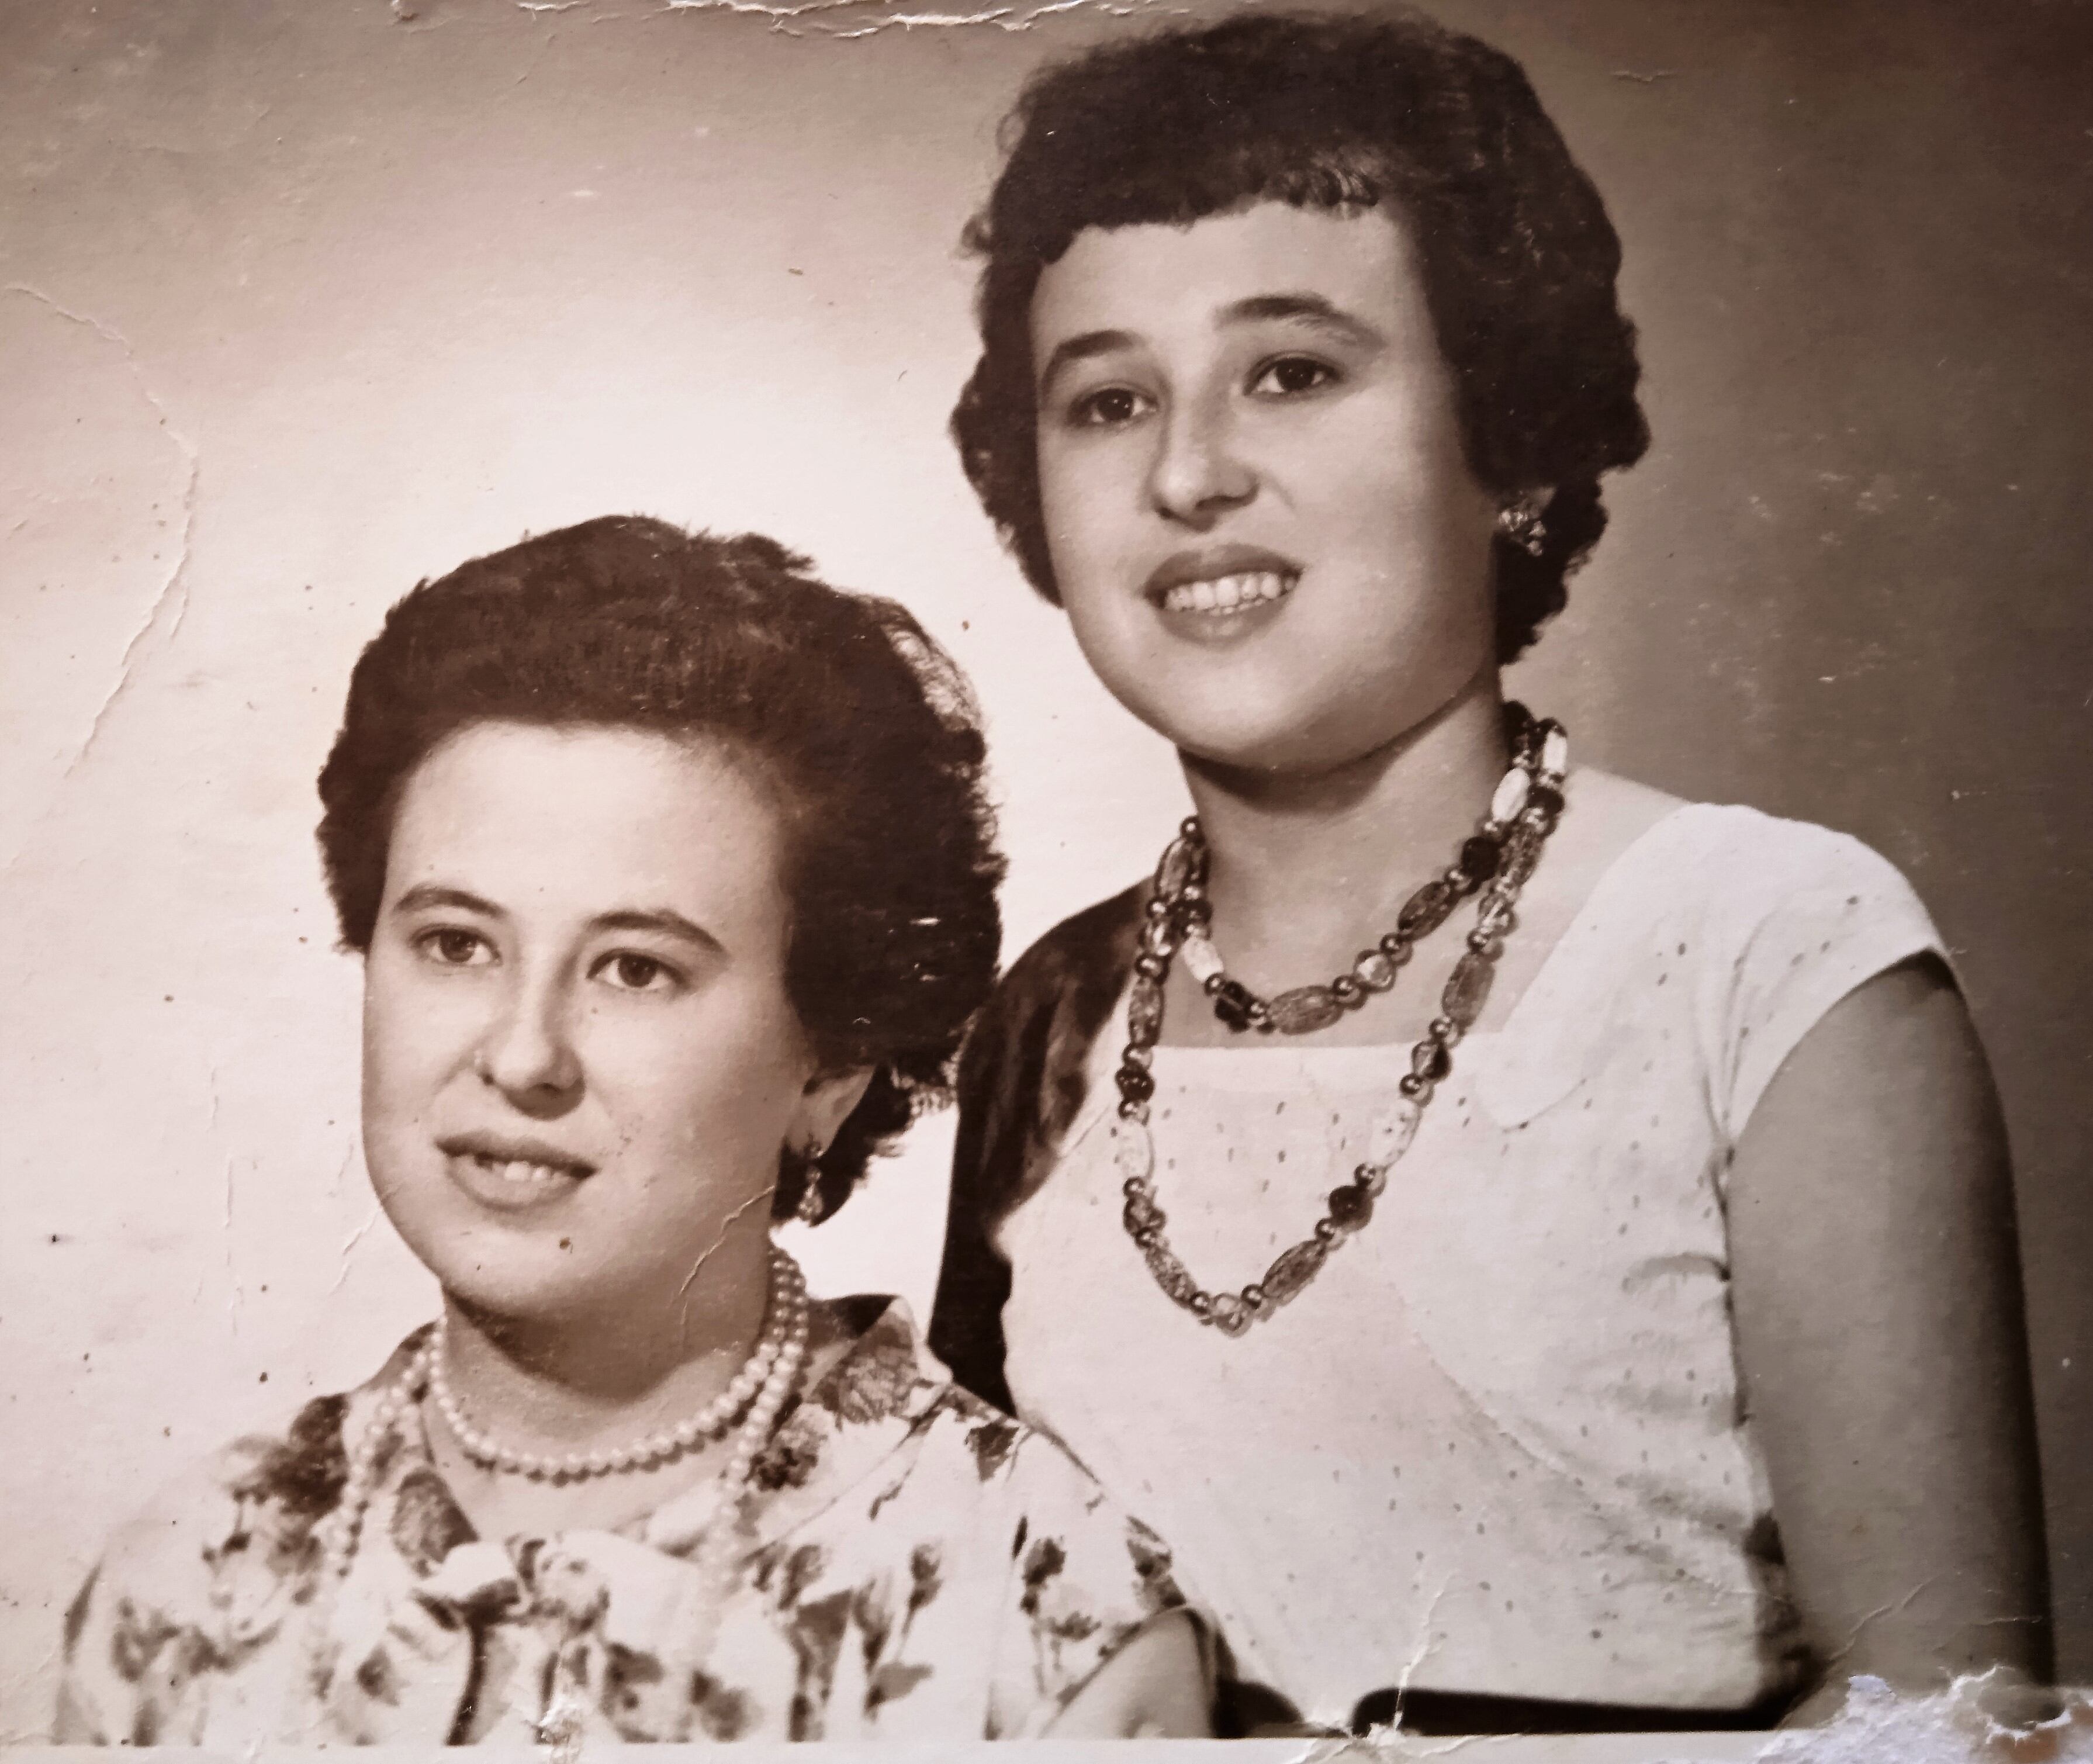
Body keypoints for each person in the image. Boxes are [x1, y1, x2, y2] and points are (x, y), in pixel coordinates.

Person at [929, 10, 2049, 1736]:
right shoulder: (1050, 1020)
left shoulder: (1760, 952)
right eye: (1107, 399)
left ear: (1509, 440)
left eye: (1291, 370)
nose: (1187, 472)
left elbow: (1961, 1729)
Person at [56, 517, 1210, 1745]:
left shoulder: (1034, 1618)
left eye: (637, 969)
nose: (520, 1055)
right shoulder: (186, 1577)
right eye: (454, 944)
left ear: (830, 1065)